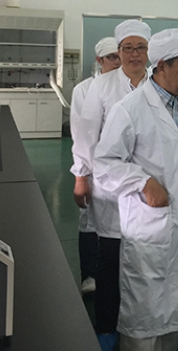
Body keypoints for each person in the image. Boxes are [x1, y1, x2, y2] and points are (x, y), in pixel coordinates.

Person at [93, 28, 178, 351]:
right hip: (150, 232)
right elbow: (104, 163)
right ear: (163, 66)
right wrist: (143, 182)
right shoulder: (130, 109)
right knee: (144, 321)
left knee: (175, 317)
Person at [72, 19, 151, 351]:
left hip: (148, 188)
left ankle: (140, 324)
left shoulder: (157, 85)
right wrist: (81, 176)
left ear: (148, 52)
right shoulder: (102, 87)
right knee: (111, 261)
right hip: (110, 187)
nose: (133, 54)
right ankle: (106, 327)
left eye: (140, 48)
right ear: (118, 52)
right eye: (127, 48)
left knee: (145, 264)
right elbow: (86, 136)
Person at [70, 37, 121, 294]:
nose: (117, 61)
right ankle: (89, 275)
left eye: (119, 56)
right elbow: (81, 134)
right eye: (112, 57)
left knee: (121, 225)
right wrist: (82, 175)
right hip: (95, 168)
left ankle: (116, 274)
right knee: (89, 221)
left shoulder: (130, 86)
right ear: (100, 60)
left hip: (122, 168)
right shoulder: (84, 89)